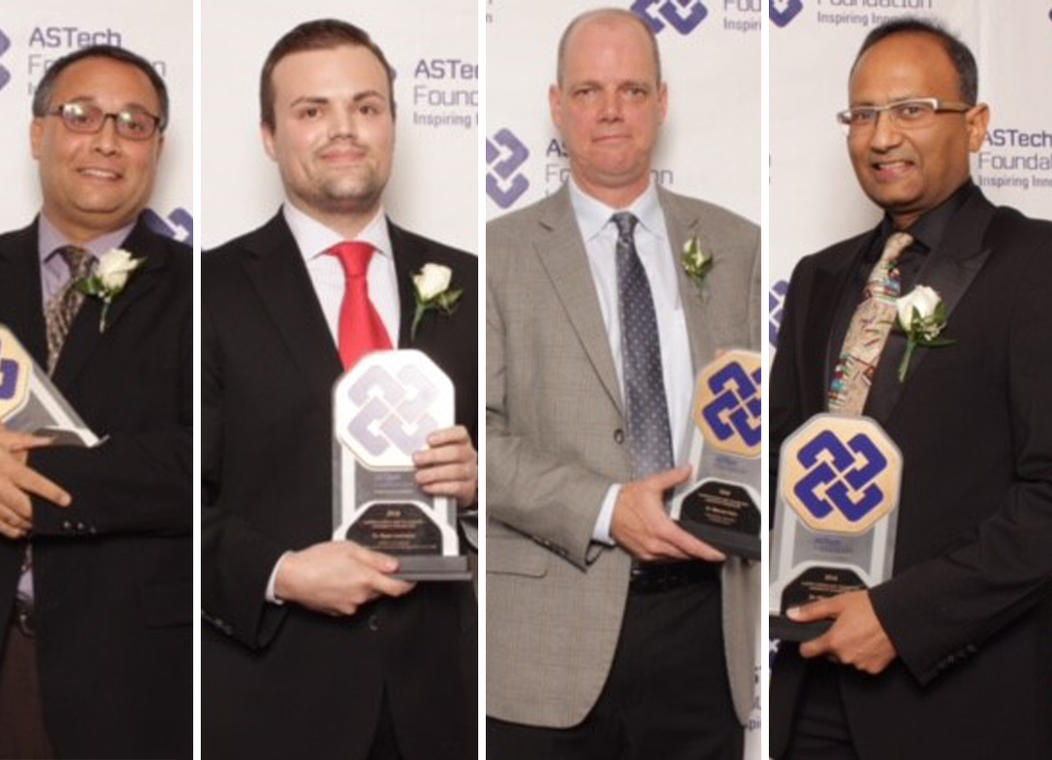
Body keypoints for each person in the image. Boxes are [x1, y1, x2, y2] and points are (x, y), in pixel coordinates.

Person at [769, 18, 1052, 760]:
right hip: (810, 690)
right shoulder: (818, 278)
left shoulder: (1036, 267)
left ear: (977, 124)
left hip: (962, 699)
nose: (882, 136)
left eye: (910, 110)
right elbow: (782, 462)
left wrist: (901, 618)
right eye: (862, 115)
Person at [486, 8, 759, 758]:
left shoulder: (737, 246)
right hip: (545, 647)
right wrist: (608, 508)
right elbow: (475, 441)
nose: (611, 111)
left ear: (663, 104)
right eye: (588, 91)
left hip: (707, 635)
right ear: (556, 105)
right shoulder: (496, 255)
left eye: (633, 91)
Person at [201, 19, 477, 760]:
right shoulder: (206, 292)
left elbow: (539, 468)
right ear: (269, 134)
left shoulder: (475, 283)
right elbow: (166, 505)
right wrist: (280, 573)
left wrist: (483, 482)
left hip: (442, 704)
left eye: (366, 106)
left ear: (392, 122)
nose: (343, 130)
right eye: (311, 110)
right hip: (272, 702)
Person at [0, 44, 191, 758]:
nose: (105, 139)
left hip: (135, 672)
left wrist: (23, 482)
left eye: (133, 123)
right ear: (38, 134)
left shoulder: (210, 293)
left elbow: (214, 458)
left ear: (157, 147)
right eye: (80, 115)